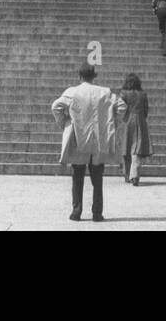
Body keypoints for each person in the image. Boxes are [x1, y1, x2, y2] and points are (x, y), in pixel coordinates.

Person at [51, 64, 127, 222]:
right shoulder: (105, 92)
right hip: (98, 140)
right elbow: (122, 106)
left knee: (77, 177)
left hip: (79, 139)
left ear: (80, 76)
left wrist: (65, 122)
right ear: (94, 76)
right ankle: (97, 213)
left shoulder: (72, 92)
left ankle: (76, 211)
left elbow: (56, 106)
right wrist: (113, 123)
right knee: (97, 179)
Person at [119, 73, 151, 186]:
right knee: (136, 150)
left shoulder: (123, 94)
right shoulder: (143, 94)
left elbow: (120, 107)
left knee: (126, 149)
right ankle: (135, 175)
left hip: (127, 121)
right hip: (140, 121)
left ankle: (127, 174)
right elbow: (146, 110)